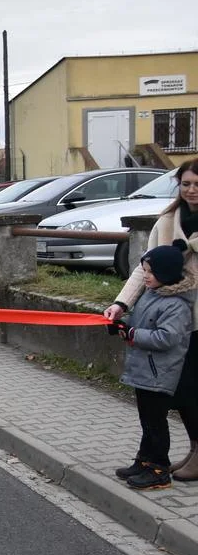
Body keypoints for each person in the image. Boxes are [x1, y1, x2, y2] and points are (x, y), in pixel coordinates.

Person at [106, 160, 198, 481]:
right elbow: (143, 268)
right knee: (173, 393)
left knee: (187, 390)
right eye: (186, 184)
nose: (191, 190)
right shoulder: (168, 220)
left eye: (197, 184)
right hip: (171, 316)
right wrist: (121, 304)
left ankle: (178, 456)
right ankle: (153, 458)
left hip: (190, 320)